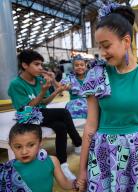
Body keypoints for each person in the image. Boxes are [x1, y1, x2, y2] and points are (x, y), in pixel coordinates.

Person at [77, 2, 138, 192]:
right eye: (99, 47)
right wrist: (82, 169)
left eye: (106, 45)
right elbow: (90, 126)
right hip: (103, 156)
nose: (102, 52)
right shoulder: (96, 75)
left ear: (126, 41)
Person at [7, 49, 82, 180]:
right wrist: (42, 92)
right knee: (64, 112)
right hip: (26, 116)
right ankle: (78, 142)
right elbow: (27, 109)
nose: (40, 68)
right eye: (36, 64)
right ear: (25, 65)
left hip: (39, 114)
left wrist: (55, 90)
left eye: (41, 64)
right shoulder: (15, 84)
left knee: (61, 127)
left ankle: (62, 165)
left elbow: (45, 102)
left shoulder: (39, 80)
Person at [0, 107, 78, 192]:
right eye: (18, 147)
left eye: (31, 145)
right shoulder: (8, 169)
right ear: (11, 146)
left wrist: (77, 183)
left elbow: (65, 183)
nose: (24, 151)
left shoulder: (52, 161)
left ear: (40, 143)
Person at [60, 54, 88, 119]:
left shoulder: (91, 77)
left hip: (90, 105)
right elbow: (60, 86)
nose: (79, 67)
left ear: (85, 67)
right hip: (74, 106)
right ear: (73, 68)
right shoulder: (69, 78)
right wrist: (53, 80)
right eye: (76, 65)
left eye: (82, 65)